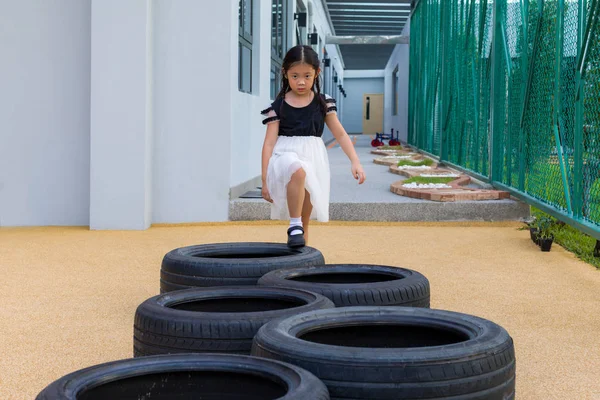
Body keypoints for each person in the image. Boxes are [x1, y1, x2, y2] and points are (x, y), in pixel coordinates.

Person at [260, 45, 366, 248]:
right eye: (295, 76)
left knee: (304, 217)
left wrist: (355, 161)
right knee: (297, 171)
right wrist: (265, 180)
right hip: (285, 155)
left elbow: (341, 134)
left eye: (307, 76)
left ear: (317, 73)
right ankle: (293, 224)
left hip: (314, 156)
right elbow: (269, 144)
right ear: (285, 73)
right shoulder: (278, 106)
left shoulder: (322, 103)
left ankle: (299, 254)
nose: (301, 82)